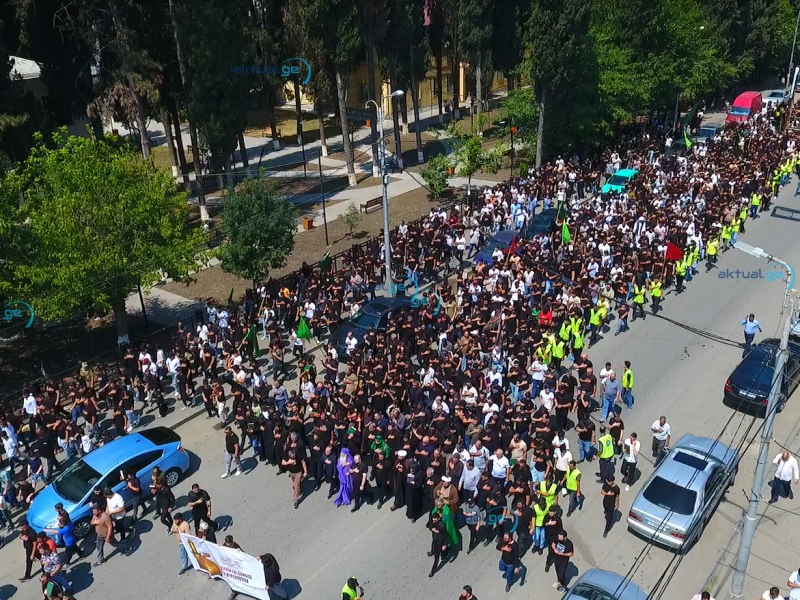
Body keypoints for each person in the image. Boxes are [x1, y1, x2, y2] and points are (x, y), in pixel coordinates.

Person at [426, 510, 449, 578]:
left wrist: (444, 544)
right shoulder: (433, 522)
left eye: (435, 520)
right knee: (433, 547)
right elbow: (429, 526)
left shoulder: (442, 525)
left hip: (440, 541)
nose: (433, 521)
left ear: (438, 518)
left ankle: (432, 571)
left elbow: (445, 535)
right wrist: (432, 529)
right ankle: (433, 552)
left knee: (436, 557)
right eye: (433, 520)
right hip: (435, 539)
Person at [171, 512, 192, 577]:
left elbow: (187, 535)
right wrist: (178, 530)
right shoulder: (175, 523)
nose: (175, 521)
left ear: (180, 519)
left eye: (176, 520)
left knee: (191, 553)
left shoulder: (185, 524)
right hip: (180, 543)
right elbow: (172, 530)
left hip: (185, 542)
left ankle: (197, 563)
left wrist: (178, 531)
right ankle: (184, 567)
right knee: (183, 555)